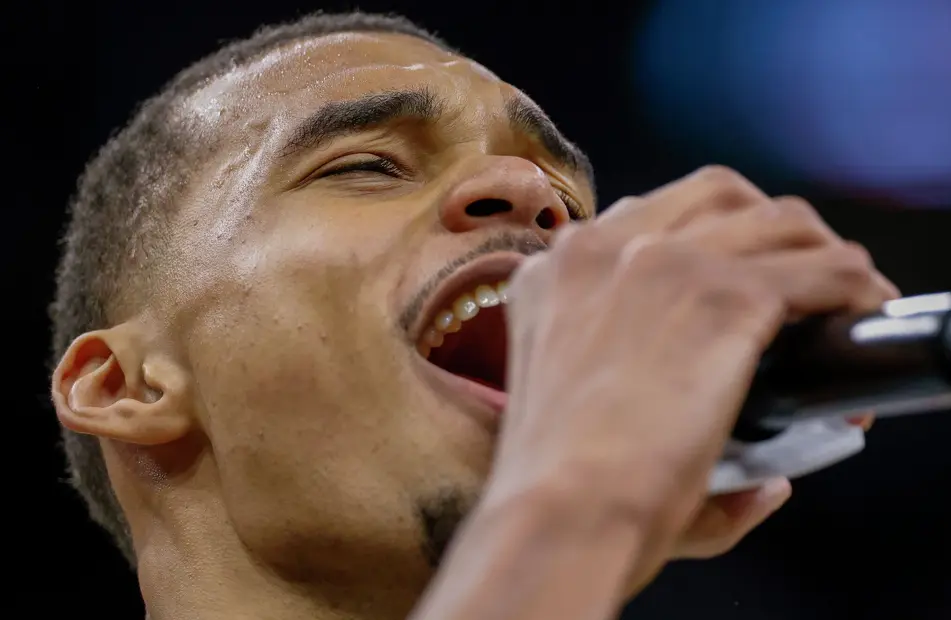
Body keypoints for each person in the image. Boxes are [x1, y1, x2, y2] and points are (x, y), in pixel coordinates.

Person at [49, 10, 895, 620]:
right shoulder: (581, 503)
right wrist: (582, 499)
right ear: (127, 385)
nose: (534, 195)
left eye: (571, 202)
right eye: (369, 166)